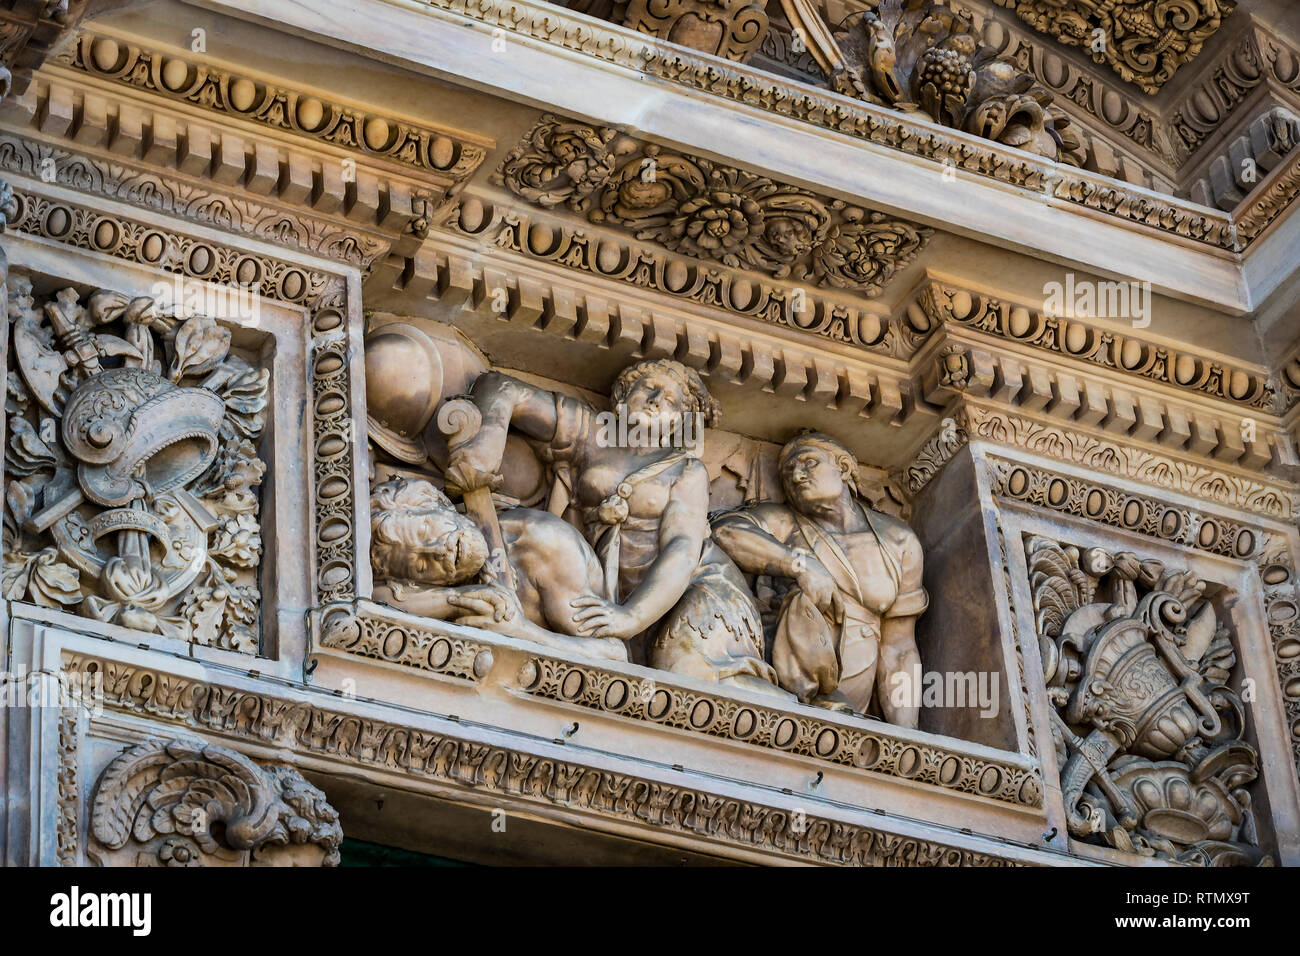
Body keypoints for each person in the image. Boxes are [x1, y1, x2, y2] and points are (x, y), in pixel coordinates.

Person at [444, 359, 786, 696]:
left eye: (671, 400)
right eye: (648, 388)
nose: (655, 401)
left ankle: (789, 706)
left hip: (694, 589)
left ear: (680, 422)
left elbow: (681, 549)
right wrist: (484, 444)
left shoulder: (686, 471)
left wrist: (631, 618)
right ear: (621, 397)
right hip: (612, 592)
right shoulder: (591, 433)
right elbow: (502, 386)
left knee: (685, 679)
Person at [711, 431, 927, 724]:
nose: (796, 476)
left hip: (853, 711)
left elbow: (900, 647)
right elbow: (725, 532)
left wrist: (906, 733)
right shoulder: (784, 522)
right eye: (788, 472)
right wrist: (800, 564)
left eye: (809, 463)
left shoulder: (899, 541)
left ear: (844, 468)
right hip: (785, 693)